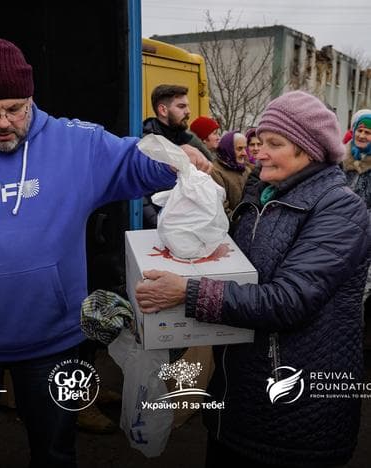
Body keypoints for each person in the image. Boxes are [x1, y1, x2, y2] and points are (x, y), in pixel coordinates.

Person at [0, 38, 210, 468]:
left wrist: (178, 159)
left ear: (32, 98)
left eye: (16, 108)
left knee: (55, 452)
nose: (4, 122)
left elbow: (132, 162)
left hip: (54, 343)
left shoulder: (74, 144)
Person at [135, 91, 370, 467]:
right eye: (259, 141)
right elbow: (234, 266)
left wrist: (187, 291)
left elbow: (289, 301)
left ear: (309, 150)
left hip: (294, 413)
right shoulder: (261, 193)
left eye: (274, 144)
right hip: (235, 393)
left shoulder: (340, 209)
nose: (258, 153)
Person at [142, 84, 213, 228]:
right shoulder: (146, 142)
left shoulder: (188, 139)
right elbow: (141, 193)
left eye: (187, 106)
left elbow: (210, 163)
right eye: (181, 106)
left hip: (187, 224)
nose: (188, 111)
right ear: (163, 110)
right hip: (157, 227)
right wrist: (157, 222)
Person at [342, 108, 371, 320]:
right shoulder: (339, 162)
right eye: (360, 130)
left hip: (366, 243)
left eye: (368, 133)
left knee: (359, 294)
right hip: (336, 239)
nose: (362, 135)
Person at [210, 131, 250, 218]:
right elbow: (222, 207)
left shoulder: (246, 170)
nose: (244, 153)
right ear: (228, 149)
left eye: (245, 148)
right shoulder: (215, 172)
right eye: (239, 149)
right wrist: (239, 222)